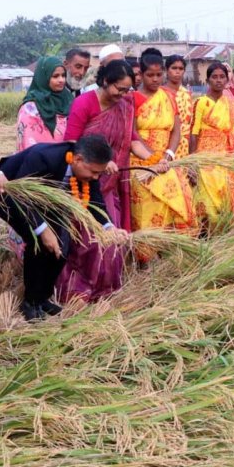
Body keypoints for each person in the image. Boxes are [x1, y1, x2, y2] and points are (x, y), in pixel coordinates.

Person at [0, 136, 125, 321]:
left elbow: (95, 200)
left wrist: (109, 227)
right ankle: (30, 302)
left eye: (99, 174)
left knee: (62, 244)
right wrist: (43, 230)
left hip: (46, 202)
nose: (96, 178)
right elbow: (21, 198)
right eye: (94, 173)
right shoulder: (43, 158)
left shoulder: (90, 168)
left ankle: (42, 297)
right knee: (39, 242)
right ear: (77, 159)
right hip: (9, 196)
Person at [61, 60, 153, 301]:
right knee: (85, 243)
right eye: (118, 89)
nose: (122, 95)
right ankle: (77, 293)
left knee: (111, 239)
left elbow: (132, 140)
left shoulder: (125, 106)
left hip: (108, 187)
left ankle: (104, 292)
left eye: (126, 90)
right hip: (82, 187)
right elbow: (70, 144)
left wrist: (152, 161)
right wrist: (101, 162)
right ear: (104, 82)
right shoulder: (84, 103)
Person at [129, 48, 195, 238]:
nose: (155, 79)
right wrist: (153, 158)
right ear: (141, 74)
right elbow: (132, 133)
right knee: (147, 211)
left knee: (177, 205)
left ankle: (171, 256)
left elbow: (176, 129)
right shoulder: (132, 99)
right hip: (141, 163)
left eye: (159, 75)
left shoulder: (169, 96)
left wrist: (168, 155)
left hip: (166, 163)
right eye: (150, 75)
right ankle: (147, 260)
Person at [190, 62, 234, 232]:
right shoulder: (201, 103)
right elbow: (194, 133)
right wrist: (193, 162)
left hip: (225, 158)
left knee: (225, 200)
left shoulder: (230, 104)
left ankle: (223, 238)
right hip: (205, 159)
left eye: (222, 77)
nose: (219, 81)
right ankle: (205, 236)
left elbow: (232, 133)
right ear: (208, 80)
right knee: (206, 201)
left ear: (227, 80)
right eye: (214, 77)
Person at [16, 56, 73, 150]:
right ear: (43, 78)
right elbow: (28, 143)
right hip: (39, 160)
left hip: (68, 160)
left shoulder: (69, 100)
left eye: (63, 75)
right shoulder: (30, 108)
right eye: (55, 76)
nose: (61, 80)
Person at [164, 54, 194, 159]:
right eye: (174, 68)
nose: (177, 72)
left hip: (184, 146)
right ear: (167, 70)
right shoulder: (161, 93)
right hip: (166, 144)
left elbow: (190, 125)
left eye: (181, 68)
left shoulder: (187, 94)